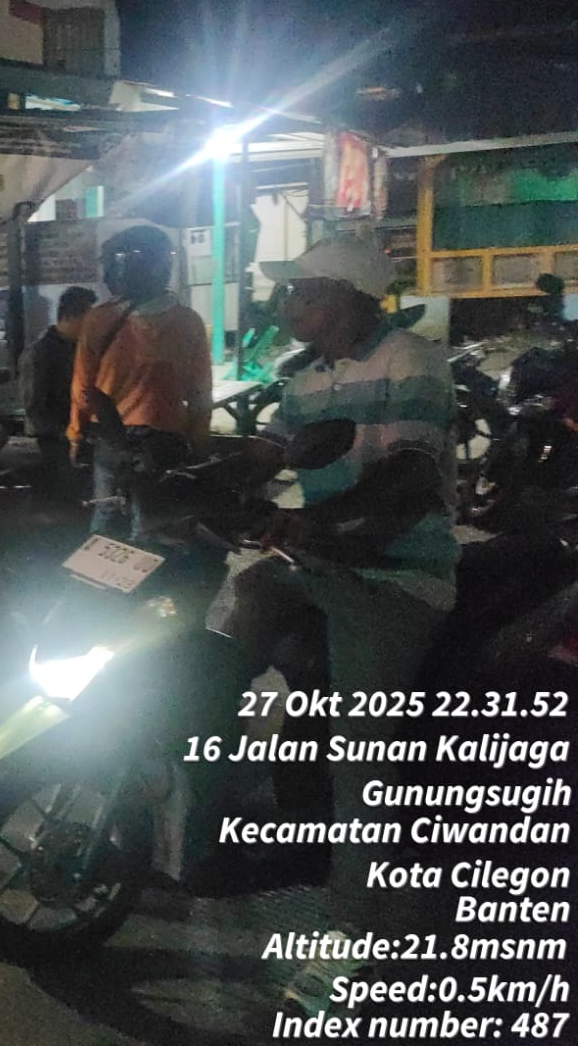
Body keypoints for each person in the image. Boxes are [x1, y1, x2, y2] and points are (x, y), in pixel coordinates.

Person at [219, 238, 459, 1015]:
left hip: (394, 576)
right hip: (316, 565)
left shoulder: (409, 361)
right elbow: (273, 454)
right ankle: (208, 806)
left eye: (303, 292)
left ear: (353, 296)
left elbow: (412, 477)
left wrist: (320, 523)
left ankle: (354, 928)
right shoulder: (304, 378)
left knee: (362, 756)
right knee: (217, 631)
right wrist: (195, 470)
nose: (288, 305)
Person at [68, 226, 211, 541]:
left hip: (110, 438)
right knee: (152, 520)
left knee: (105, 512)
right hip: (165, 439)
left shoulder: (99, 319)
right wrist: (200, 443)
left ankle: (99, 568)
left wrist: (76, 436)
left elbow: (83, 388)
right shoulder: (189, 322)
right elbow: (200, 393)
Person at [18, 286, 97, 492]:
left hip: (77, 434)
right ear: (69, 316)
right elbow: (34, 408)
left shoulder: (80, 348)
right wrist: (68, 434)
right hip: (53, 442)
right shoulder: (39, 353)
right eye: (88, 320)